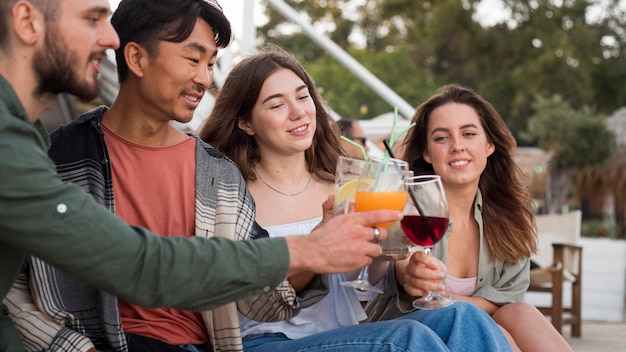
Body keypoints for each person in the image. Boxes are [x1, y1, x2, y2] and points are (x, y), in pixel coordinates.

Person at [0, 0, 401, 350]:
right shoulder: (57, 155)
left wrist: (316, 249)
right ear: (137, 59)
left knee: (456, 321)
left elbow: (262, 302)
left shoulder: (217, 172)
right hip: (105, 342)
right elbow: (24, 287)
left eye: (210, 63)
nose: (206, 78)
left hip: (195, 346)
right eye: (193, 60)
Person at [199, 48, 513, 352]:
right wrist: (316, 245)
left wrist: (399, 259)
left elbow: (375, 271)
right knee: (407, 339)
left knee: (465, 317)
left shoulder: (348, 183)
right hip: (265, 341)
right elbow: (247, 294)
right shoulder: (231, 194)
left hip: (345, 336)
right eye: (276, 104)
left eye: (303, 95)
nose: (298, 112)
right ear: (246, 122)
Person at [366, 84, 572, 351]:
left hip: (475, 330)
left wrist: (448, 297)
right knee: (497, 333)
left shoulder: (510, 216)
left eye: (469, 133)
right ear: (427, 152)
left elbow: (505, 299)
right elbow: (402, 264)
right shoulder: (407, 204)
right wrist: (411, 274)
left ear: (489, 144)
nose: (457, 146)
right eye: (441, 138)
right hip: (409, 333)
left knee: (520, 313)